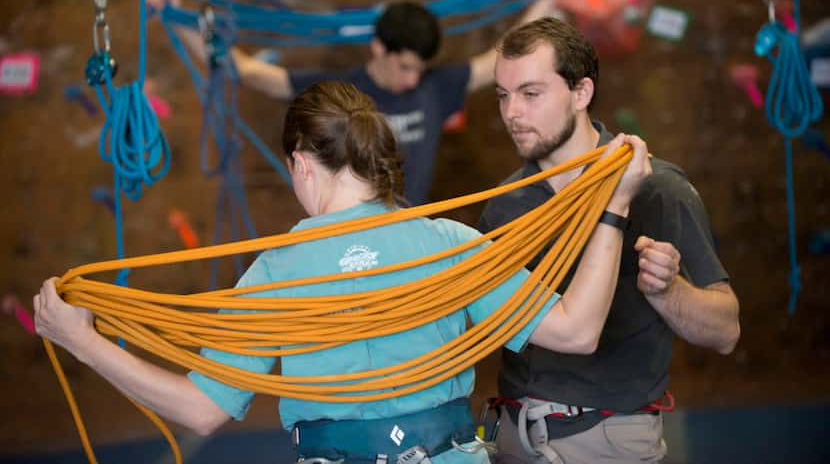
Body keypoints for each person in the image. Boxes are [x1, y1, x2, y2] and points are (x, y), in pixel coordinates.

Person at [35, 80, 664, 463]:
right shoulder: (449, 244)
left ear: (302, 162)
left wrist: (80, 340)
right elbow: (579, 330)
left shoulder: (278, 272)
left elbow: (200, 410)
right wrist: (613, 207)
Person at [477, 17, 741, 463]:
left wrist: (668, 290)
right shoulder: (504, 205)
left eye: (531, 94)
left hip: (608, 438)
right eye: (503, 96)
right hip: (513, 435)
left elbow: (726, 332)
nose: (511, 113)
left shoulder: (658, 189)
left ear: (581, 92)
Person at [146, 0, 566, 205]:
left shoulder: (436, 88)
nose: (412, 79)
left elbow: (505, 55)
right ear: (379, 47)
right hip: (346, 237)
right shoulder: (339, 92)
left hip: (408, 232)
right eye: (404, 67)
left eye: (420, 69)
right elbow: (247, 70)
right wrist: (179, 17)